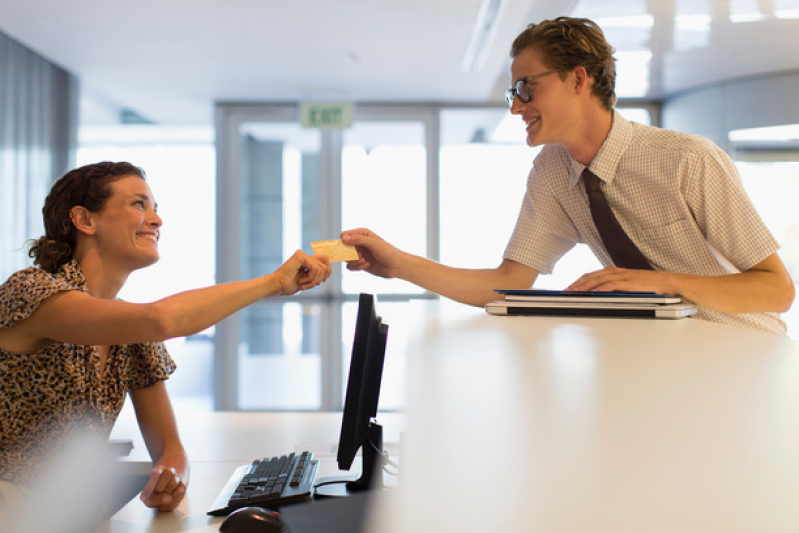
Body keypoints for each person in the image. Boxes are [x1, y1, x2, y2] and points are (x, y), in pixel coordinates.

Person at [341, 16, 794, 335]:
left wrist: (666, 281)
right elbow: (508, 284)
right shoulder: (552, 173)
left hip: (744, 353)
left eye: (525, 88)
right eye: (511, 93)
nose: (516, 106)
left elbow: (777, 289)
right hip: (665, 364)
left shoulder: (687, 159)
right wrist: (399, 264)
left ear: (578, 80)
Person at [0, 162, 331, 518]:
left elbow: (171, 449)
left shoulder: (127, 329)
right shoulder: (30, 292)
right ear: (85, 220)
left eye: (155, 208)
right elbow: (161, 320)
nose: (156, 220)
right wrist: (273, 282)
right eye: (139, 204)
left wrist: (170, 476)